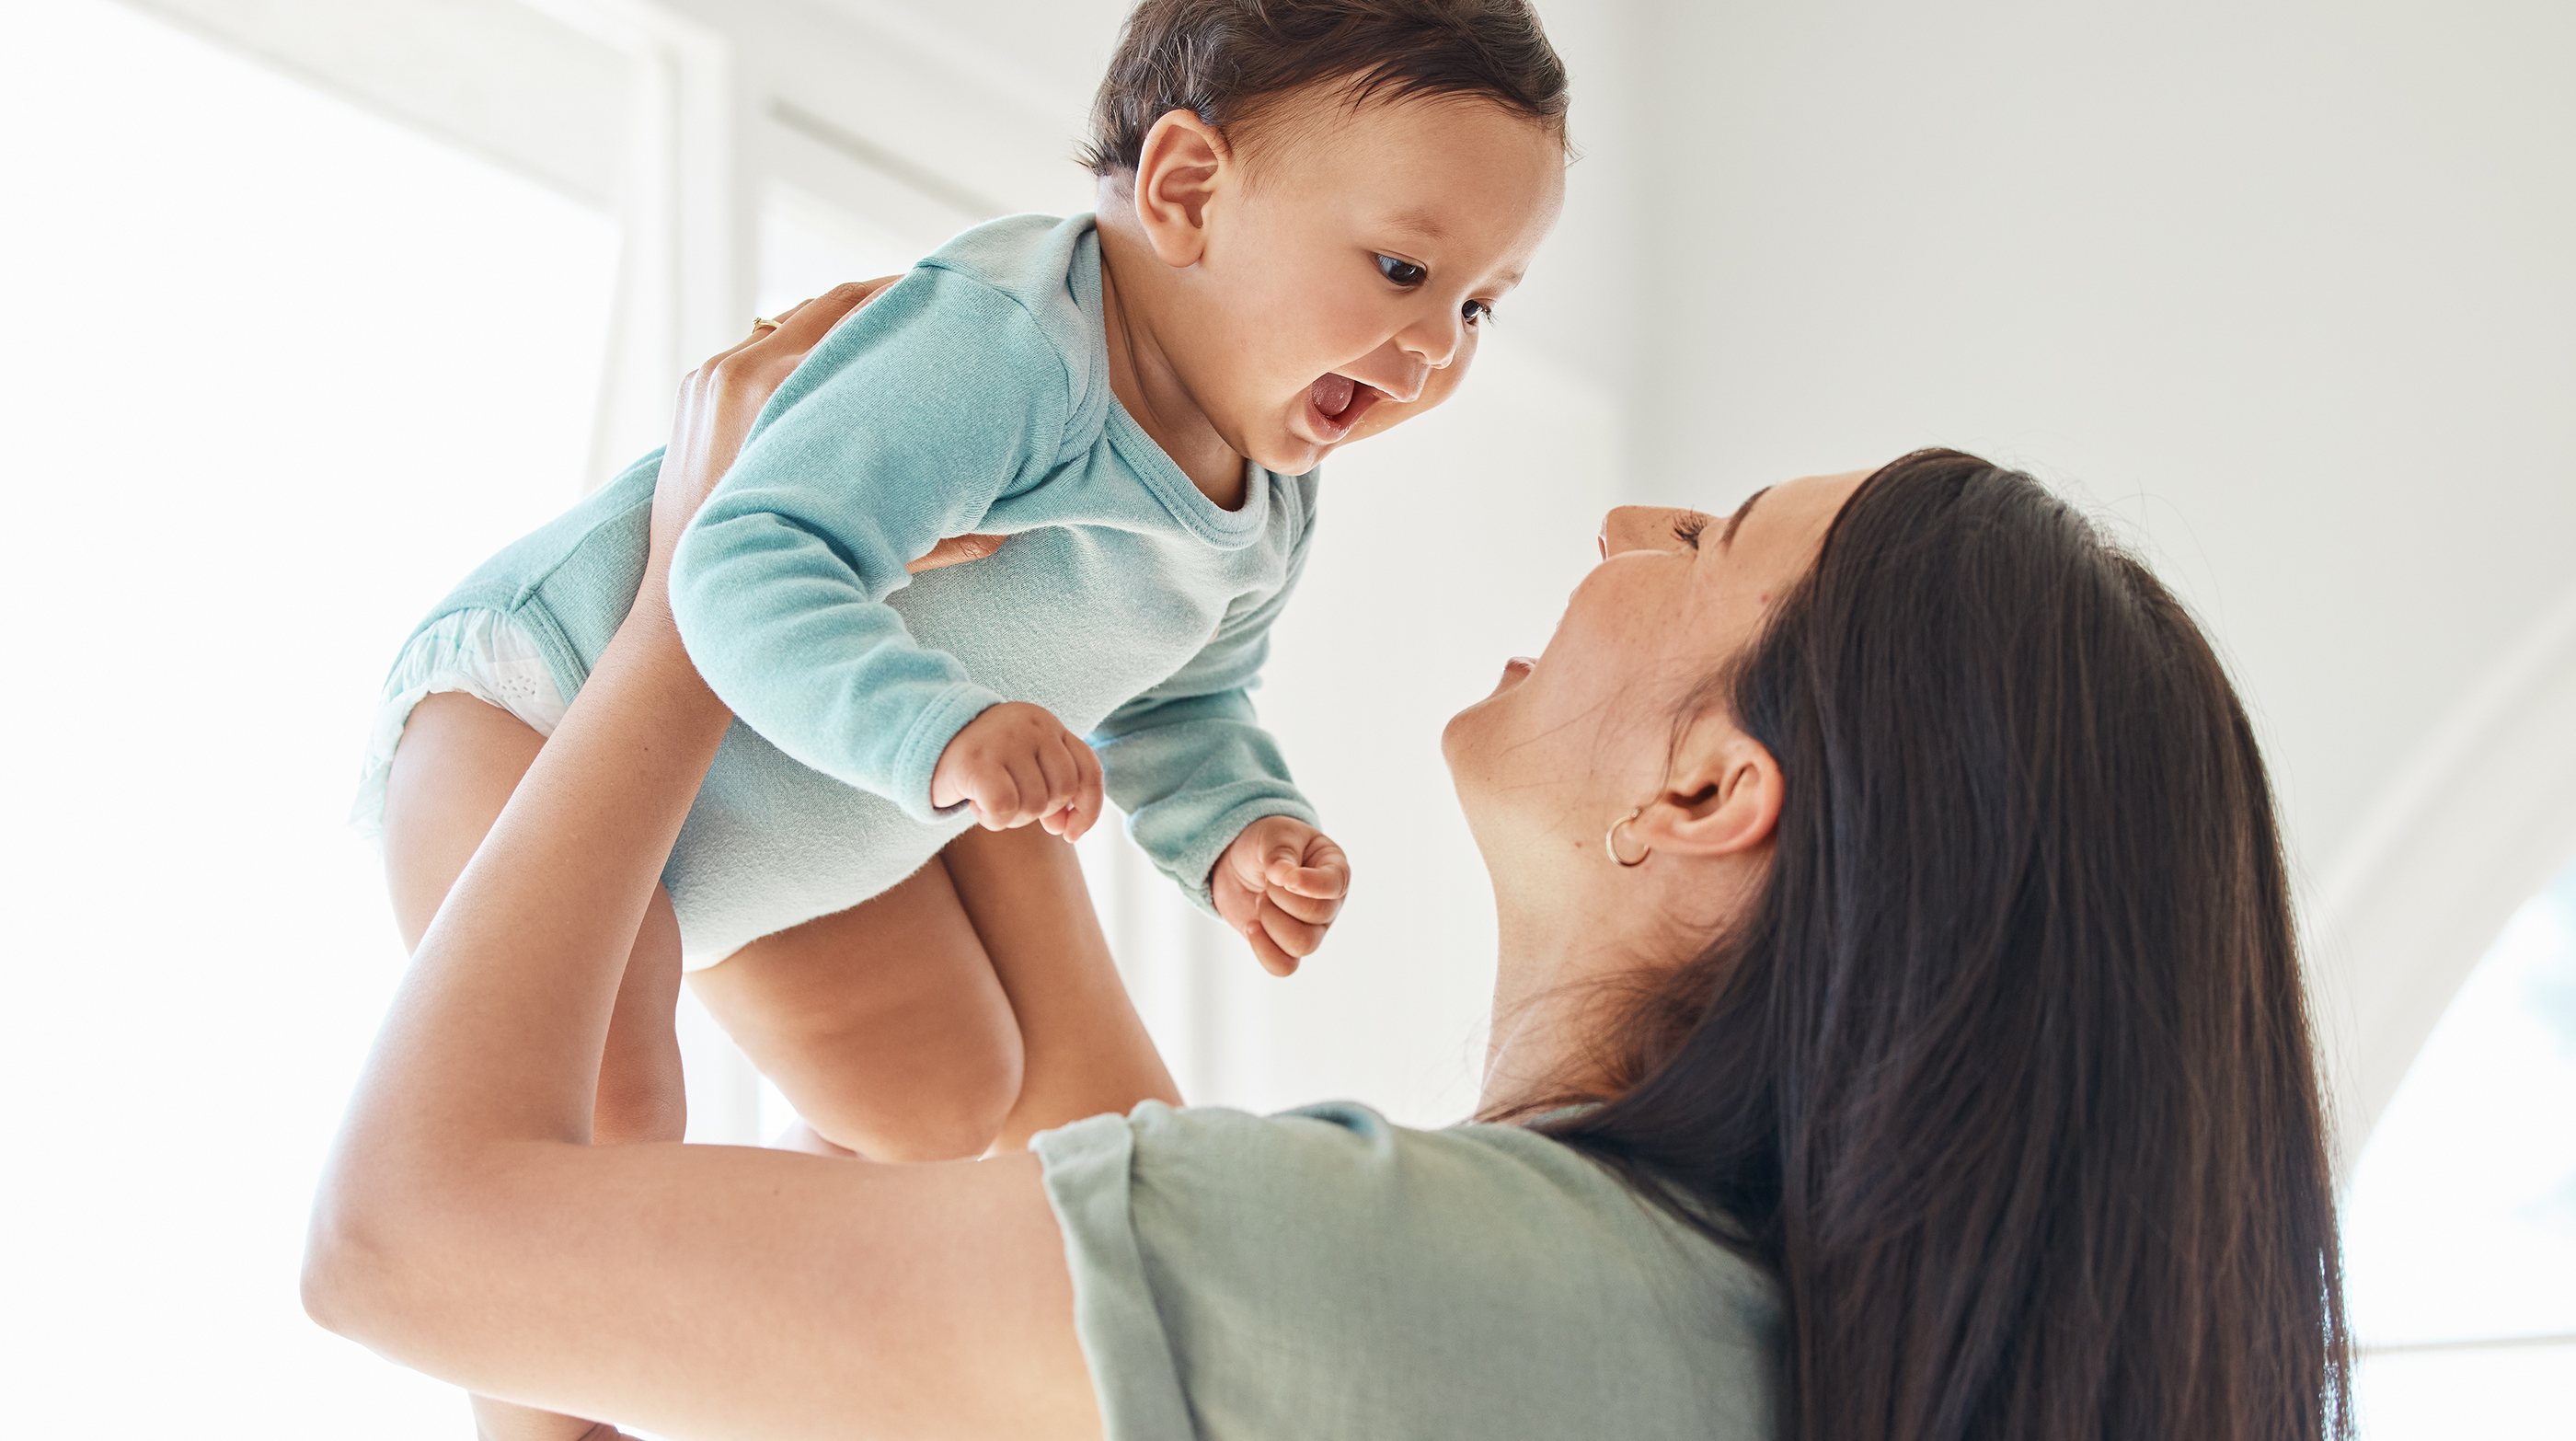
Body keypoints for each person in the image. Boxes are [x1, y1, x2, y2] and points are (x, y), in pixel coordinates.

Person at [305, 289, 2353, 1441]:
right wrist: (1003, 636)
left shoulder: (1400, 1281)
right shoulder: (1706, 1343)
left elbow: (409, 1246)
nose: (1637, 518)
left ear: (1712, 795)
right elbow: (1083, 1164)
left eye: (1712, 540)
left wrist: (697, 590)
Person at [354, 0, 1570, 1194]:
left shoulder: (1273, 504)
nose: (1440, 349)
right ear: (1187, 192)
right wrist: (940, 729)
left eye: (1477, 305)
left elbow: (1184, 699)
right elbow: (738, 557)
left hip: (770, 804)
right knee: (603, 1113)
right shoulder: (1016, 348)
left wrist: (1235, 830)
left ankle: (754, 1351)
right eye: (1403, 268)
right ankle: (562, 1398)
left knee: (938, 1098)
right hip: (539, 706)